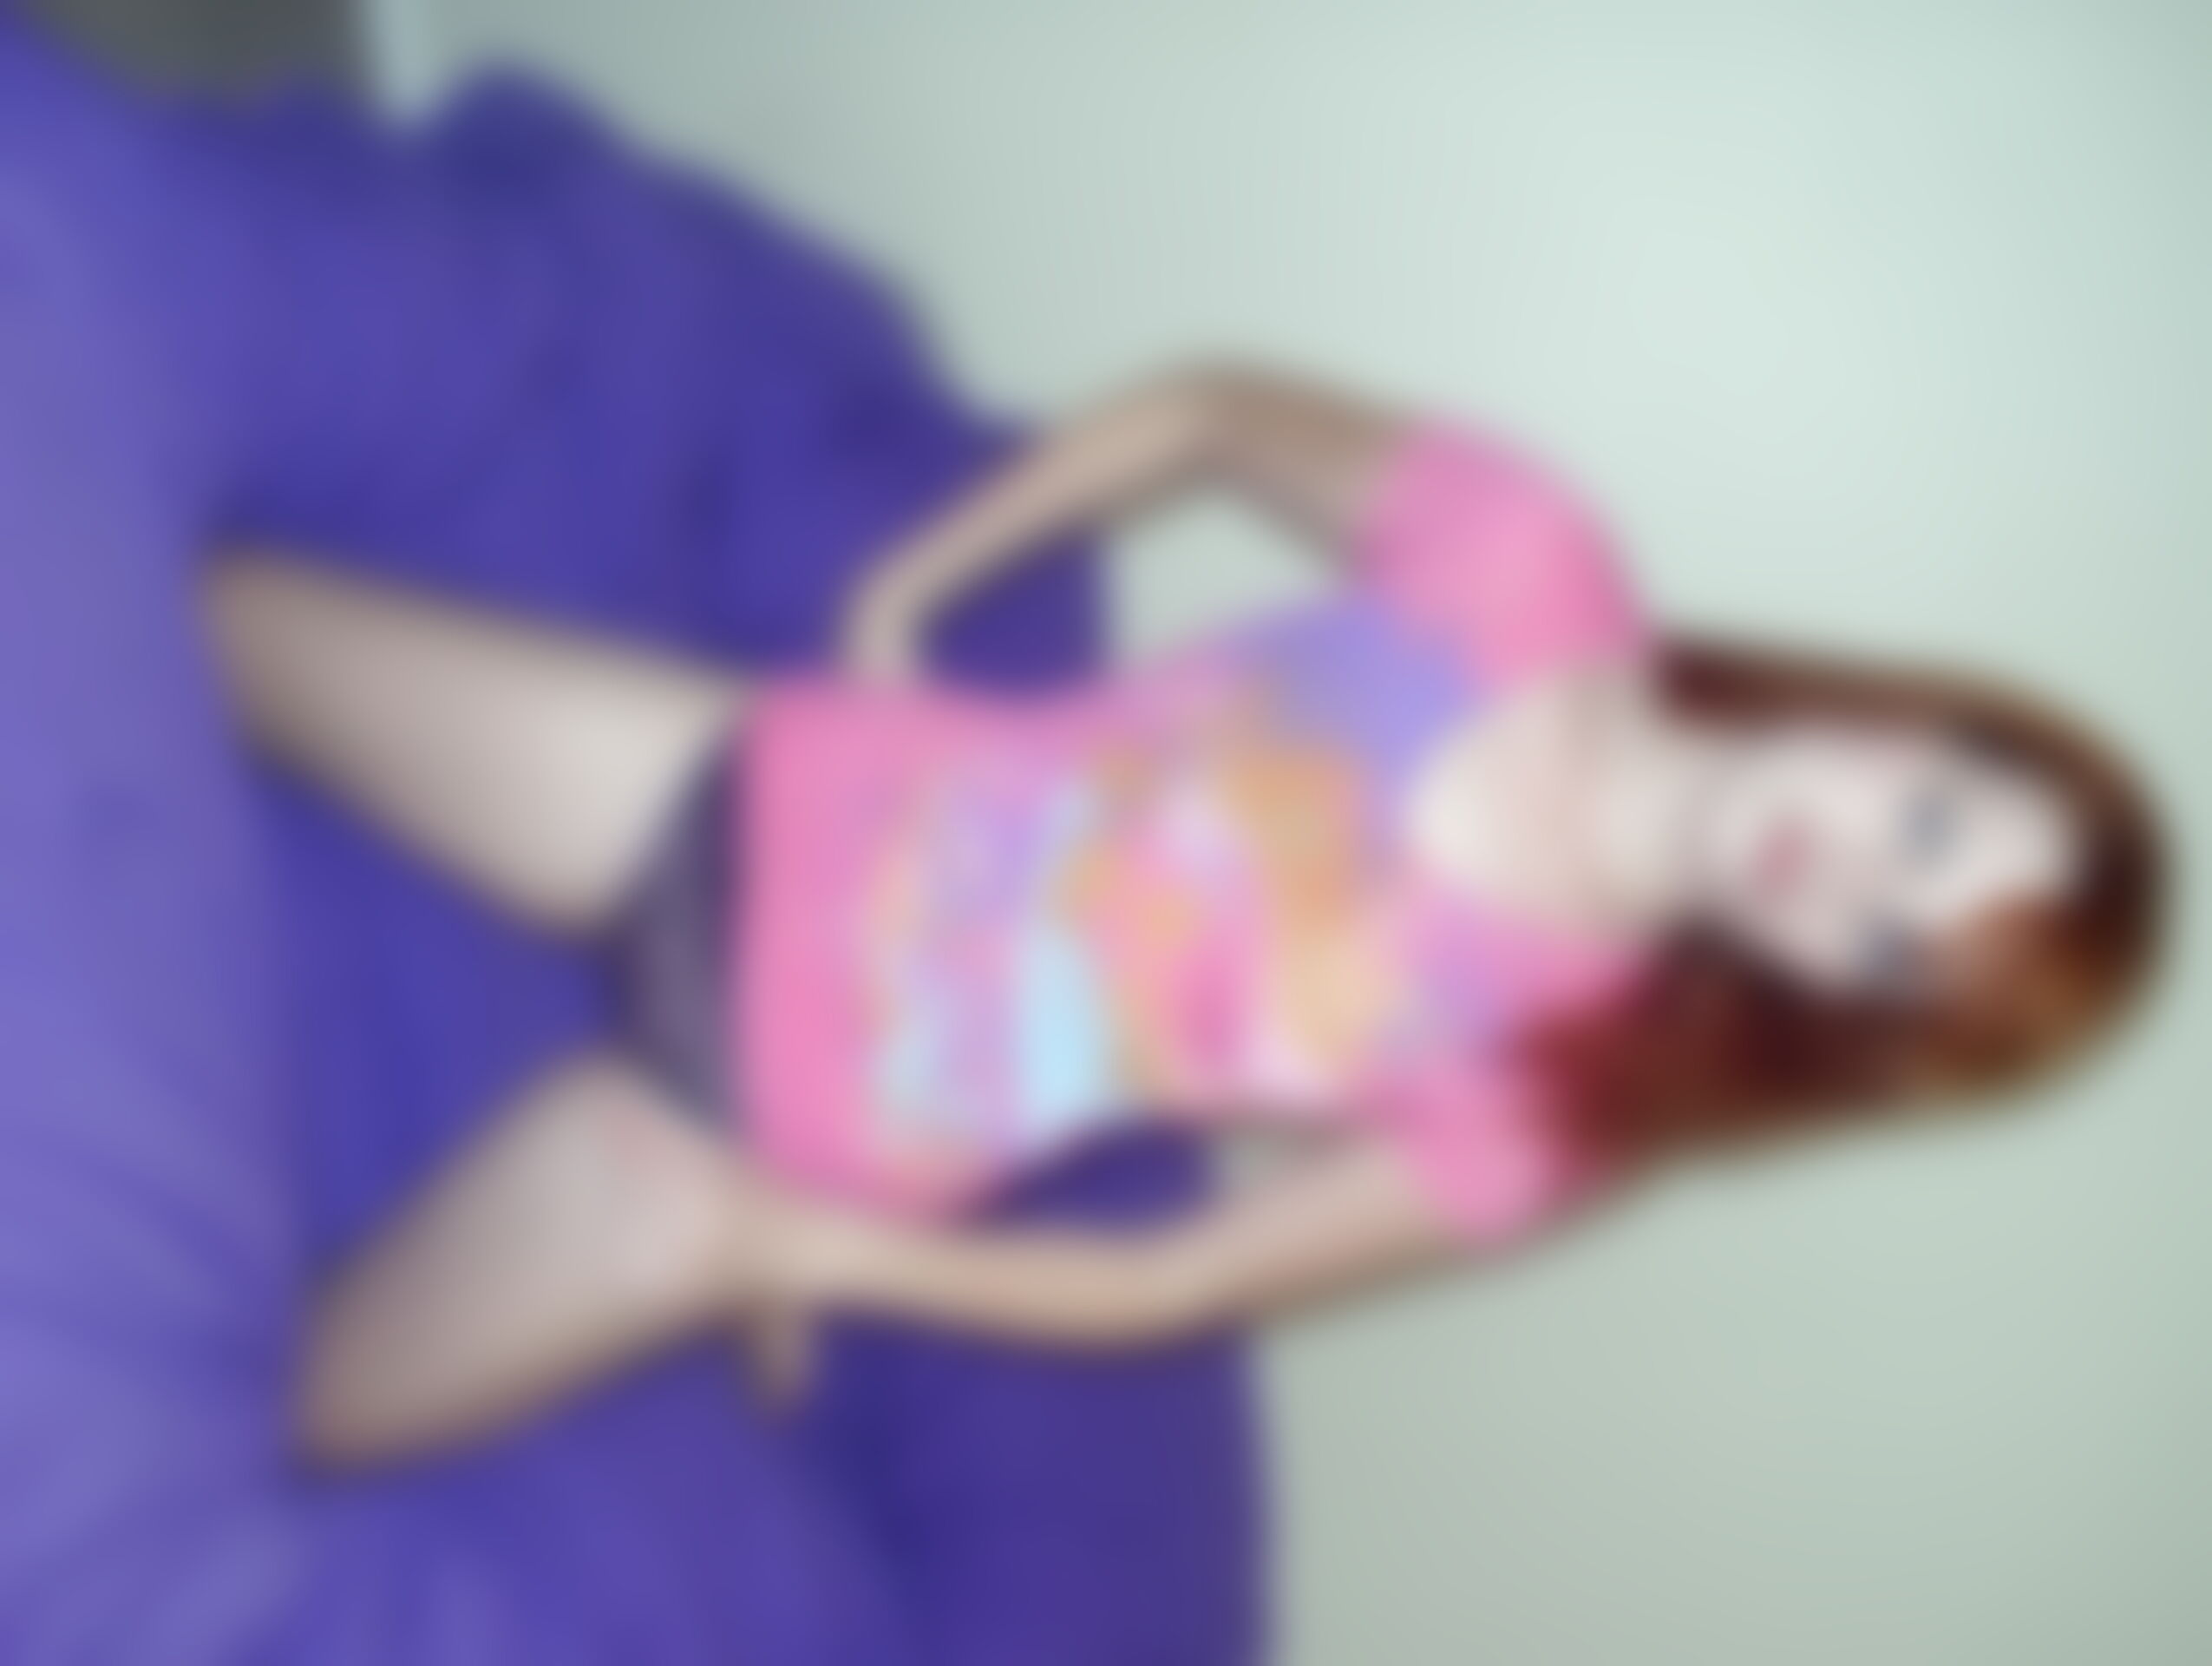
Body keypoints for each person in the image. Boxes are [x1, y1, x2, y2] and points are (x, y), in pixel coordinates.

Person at [206, 362, 2166, 1468]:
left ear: (1832, 1002)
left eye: (1892, 948)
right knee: (210, 626)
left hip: (768, 1139)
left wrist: (795, 1249)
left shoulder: (1564, 1112)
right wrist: (906, 593)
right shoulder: (1522, 560)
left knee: (288, 1423)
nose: (1854, 879)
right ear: (1908, 721)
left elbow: (1179, 1281)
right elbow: (1212, 412)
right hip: (745, 791)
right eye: (1926, 823)